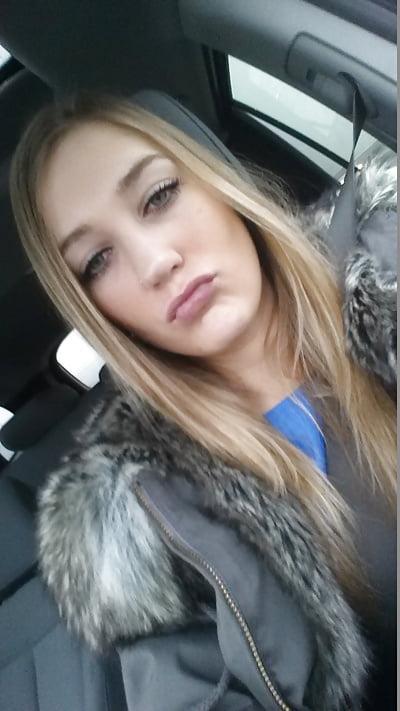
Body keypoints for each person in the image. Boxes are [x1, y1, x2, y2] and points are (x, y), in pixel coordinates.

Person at [10, 91, 396, 711]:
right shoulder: (140, 517)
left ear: (217, 176)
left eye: (159, 195)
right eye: (98, 260)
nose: (155, 263)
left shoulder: (385, 256)